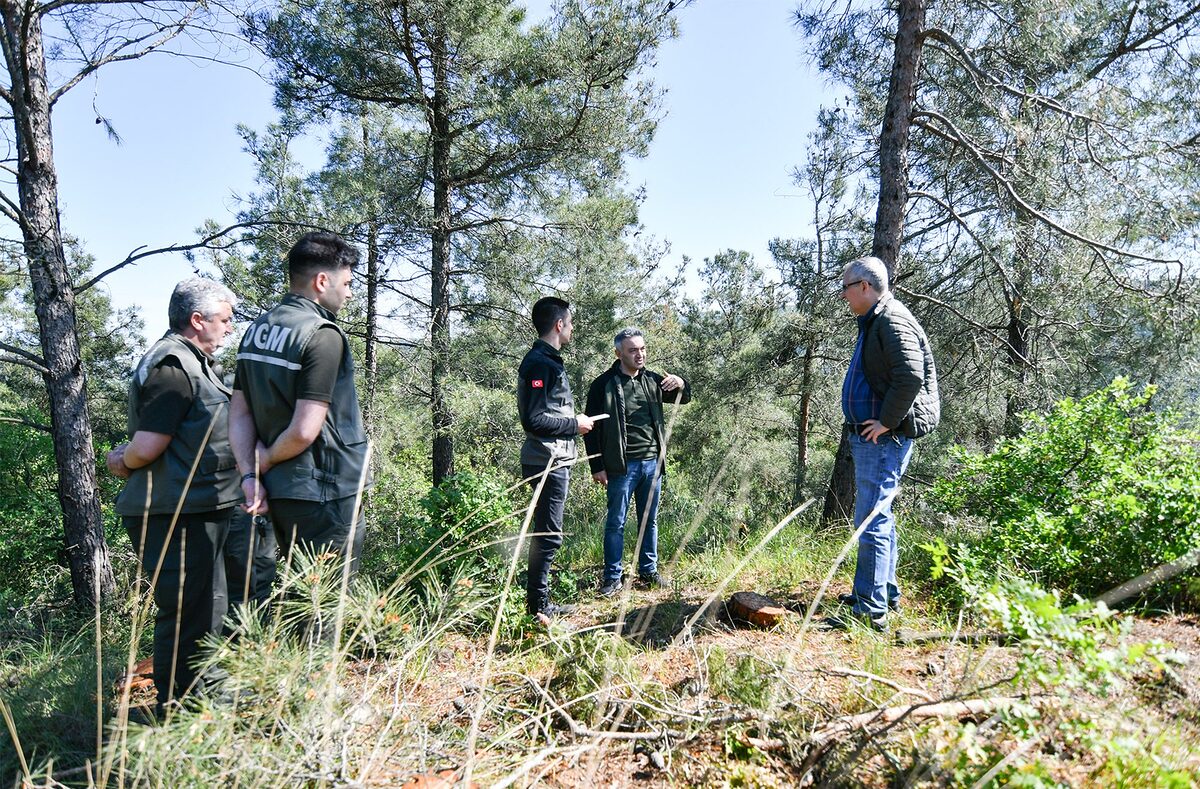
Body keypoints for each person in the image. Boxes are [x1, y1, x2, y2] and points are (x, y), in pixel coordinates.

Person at [107, 277, 240, 713]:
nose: (229, 327)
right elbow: (148, 446)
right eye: (224, 319)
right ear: (197, 320)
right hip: (173, 511)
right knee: (185, 614)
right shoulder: (172, 366)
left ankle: (206, 703)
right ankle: (180, 712)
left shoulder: (193, 362)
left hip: (196, 506)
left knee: (208, 610)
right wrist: (121, 461)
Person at [230, 231, 370, 579]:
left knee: (299, 591)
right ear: (322, 281)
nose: (350, 292)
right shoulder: (322, 334)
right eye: (347, 282)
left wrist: (251, 474)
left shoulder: (256, 330)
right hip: (326, 488)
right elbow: (305, 429)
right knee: (325, 603)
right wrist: (267, 459)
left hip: (282, 490)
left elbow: (239, 413)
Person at [834, 256, 939, 631]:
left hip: (882, 438)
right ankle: (882, 593)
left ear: (864, 286)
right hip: (875, 436)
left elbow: (909, 377)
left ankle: (869, 609)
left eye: (846, 288)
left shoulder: (891, 319)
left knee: (871, 521)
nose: (843, 296)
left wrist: (887, 422)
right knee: (879, 516)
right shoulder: (877, 319)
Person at [584, 327, 690, 597]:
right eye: (633, 350)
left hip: (653, 465)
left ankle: (648, 571)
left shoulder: (653, 381)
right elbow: (590, 429)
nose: (640, 354)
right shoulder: (602, 385)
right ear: (618, 353)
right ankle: (612, 578)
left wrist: (681, 383)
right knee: (615, 523)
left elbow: (684, 398)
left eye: (642, 349)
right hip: (620, 467)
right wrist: (596, 466)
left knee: (649, 521)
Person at [516, 296, 593, 624]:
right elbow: (534, 420)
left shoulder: (547, 360)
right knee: (548, 534)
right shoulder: (539, 363)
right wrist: (574, 425)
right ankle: (538, 607)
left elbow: (547, 412)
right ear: (559, 325)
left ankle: (538, 603)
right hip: (547, 460)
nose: (572, 328)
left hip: (554, 458)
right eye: (570, 323)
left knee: (546, 532)